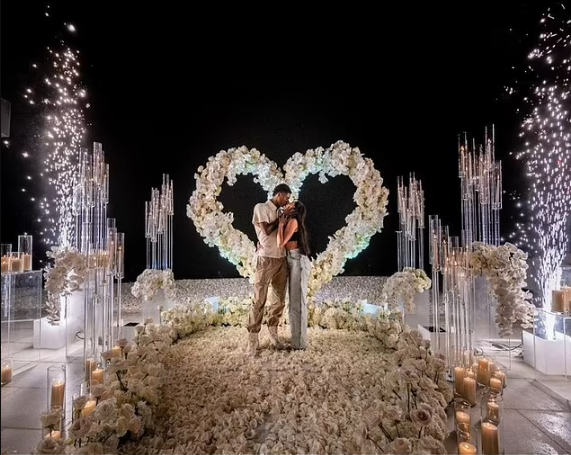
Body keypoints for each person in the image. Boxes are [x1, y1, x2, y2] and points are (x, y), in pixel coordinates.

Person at [247, 184, 293, 355]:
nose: (288, 200)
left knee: (279, 299)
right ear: (279, 194)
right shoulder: (261, 207)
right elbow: (266, 230)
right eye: (287, 197)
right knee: (259, 299)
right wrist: (281, 219)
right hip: (265, 259)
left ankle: (273, 334)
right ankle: (253, 339)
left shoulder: (282, 212)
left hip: (282, 258)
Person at [277, 200, 311, 350]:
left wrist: (280, 224)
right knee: (294, 303)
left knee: (298, 303)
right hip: (292, 260)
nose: (288, 203)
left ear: (294, 210)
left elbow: (280, 244)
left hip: (298, 261)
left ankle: (300, 344)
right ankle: (296, 341)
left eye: (291, 203)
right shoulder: (290, 221)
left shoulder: (292, 222)